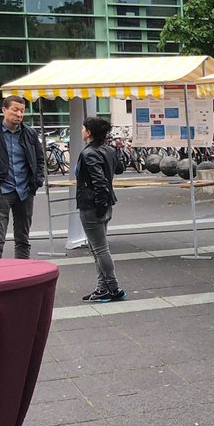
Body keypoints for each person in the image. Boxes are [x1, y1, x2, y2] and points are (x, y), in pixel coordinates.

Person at [75, 116, 125, 302]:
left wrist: (100, 205)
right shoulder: (109, 149)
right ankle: (102, 287)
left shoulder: (89, 153)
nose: (82, 131)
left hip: (92, 205)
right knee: (97, 248)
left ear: (89, 132)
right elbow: (118, 169)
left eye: (83, 128)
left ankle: (112, 287)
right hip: (105, 203)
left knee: (100, 248)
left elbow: (99, 182)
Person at [0, 96, 45, 259]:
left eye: (22, 111)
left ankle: (21, 277)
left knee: (23, 239)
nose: (19, 114)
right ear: (4, 110)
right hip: (3, 190)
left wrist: (37, 181)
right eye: (15, 110)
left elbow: (40, 159)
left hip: (25, 191)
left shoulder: (30, 133)